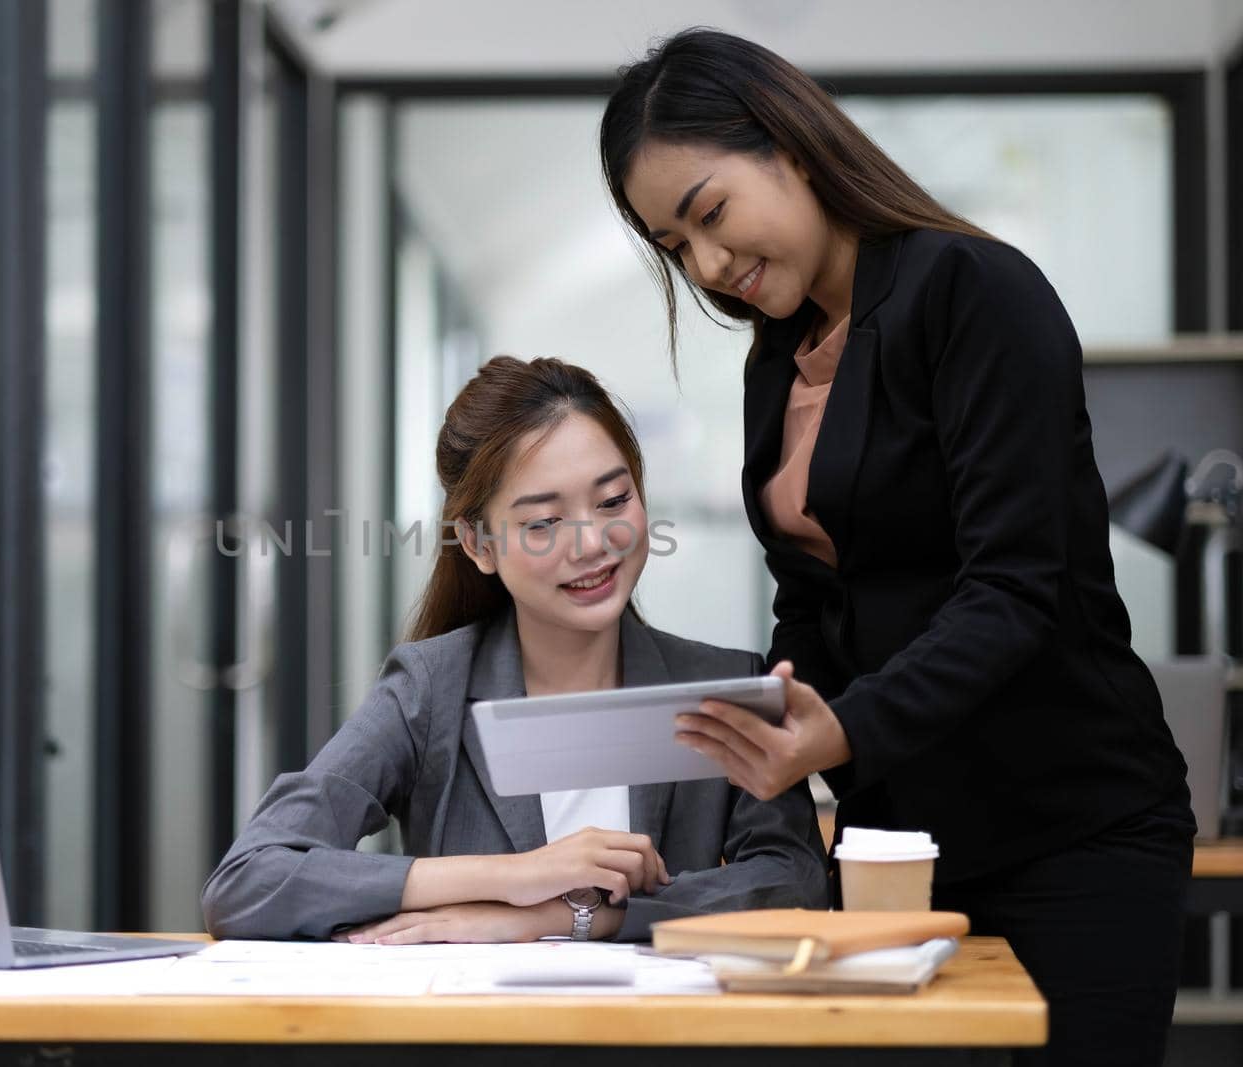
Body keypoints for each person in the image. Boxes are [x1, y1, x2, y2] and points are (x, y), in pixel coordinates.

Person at [599, 27, 1194, 1066]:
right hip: (895, 846)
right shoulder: (775, 363)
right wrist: (765, 712)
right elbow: (813, 600)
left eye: (708, 215)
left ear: (788, 144)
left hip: (1068, 827)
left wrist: (840, 731)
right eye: (673, 246)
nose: (707, 263)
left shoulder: (973, 290)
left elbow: (1012, 588)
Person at [202, 355, 827, 943]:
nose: (590, 543)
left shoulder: (723, 685)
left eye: (613, 500)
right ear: (478, 545)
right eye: (542, 522)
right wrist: (512, 877)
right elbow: (248, 880)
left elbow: (796, 883)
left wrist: (569, 917)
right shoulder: (431, 689)